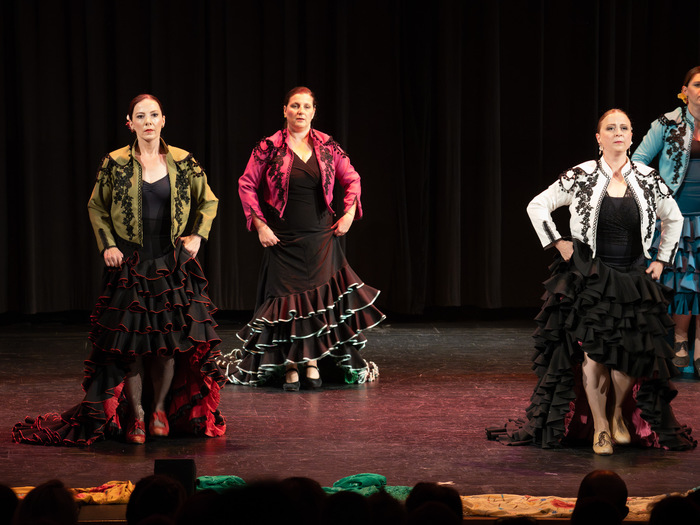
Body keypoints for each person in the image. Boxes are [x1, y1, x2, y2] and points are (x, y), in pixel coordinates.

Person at [12, 94, 226, 445]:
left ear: (163, 120)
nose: (148, 122)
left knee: (168, 344)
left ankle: (159, 410)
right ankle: (137, 415)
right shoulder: (115, 162)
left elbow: (209, 200)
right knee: (132, 347)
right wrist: (107, 244)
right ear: (130, 123)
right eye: (140, 116)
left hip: (170, 264)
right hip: (130, 263)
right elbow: (96, 206)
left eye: (153, 115)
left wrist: (198, 235)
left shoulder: (183, 161)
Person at [487, 109, 695, 454]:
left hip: (632, 278)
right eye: (610, 128)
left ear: (632, 136)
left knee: (628, 357)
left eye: (624, 128)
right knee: (594, 356)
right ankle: (600, 426)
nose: (618, 133)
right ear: (599, 138)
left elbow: (673, 217)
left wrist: (661, 260)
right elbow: (537, 205)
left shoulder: (647, 177)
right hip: (592, 277)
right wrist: (558, 242)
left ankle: (616, 414)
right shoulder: (581, 175)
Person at [218, 86, 385, 390]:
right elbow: (246, 184)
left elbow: (352, 179)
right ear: (285, 110)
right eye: (295, 106)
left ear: (313, 111)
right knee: (288, 304)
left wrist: (348, 214)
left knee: (316, 303)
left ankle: (312, 362)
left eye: (306, 106)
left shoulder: (327, 146)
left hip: (320, 237)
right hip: (283, 238)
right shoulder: (269, 147)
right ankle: (291, 365)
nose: (300, 112)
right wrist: (260, 225)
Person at [632, 66, 700, 375]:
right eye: (697, 85)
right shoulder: (667, 123)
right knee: (684, 281)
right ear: (685, 91)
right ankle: (681, 338)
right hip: (679, 215)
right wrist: (657, 195)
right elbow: (638, 160)